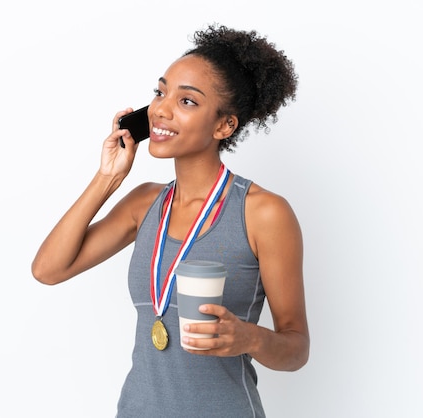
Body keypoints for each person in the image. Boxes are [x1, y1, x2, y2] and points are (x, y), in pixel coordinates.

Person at [32, 23, 309, 418]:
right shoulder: (145, 203)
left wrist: (249, 337)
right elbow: (48, 269)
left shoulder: (263, 213)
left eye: (187, 101)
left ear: (224, 125)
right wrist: (108, 177)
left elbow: (296, 349)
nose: (161, 109)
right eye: (160, 92)